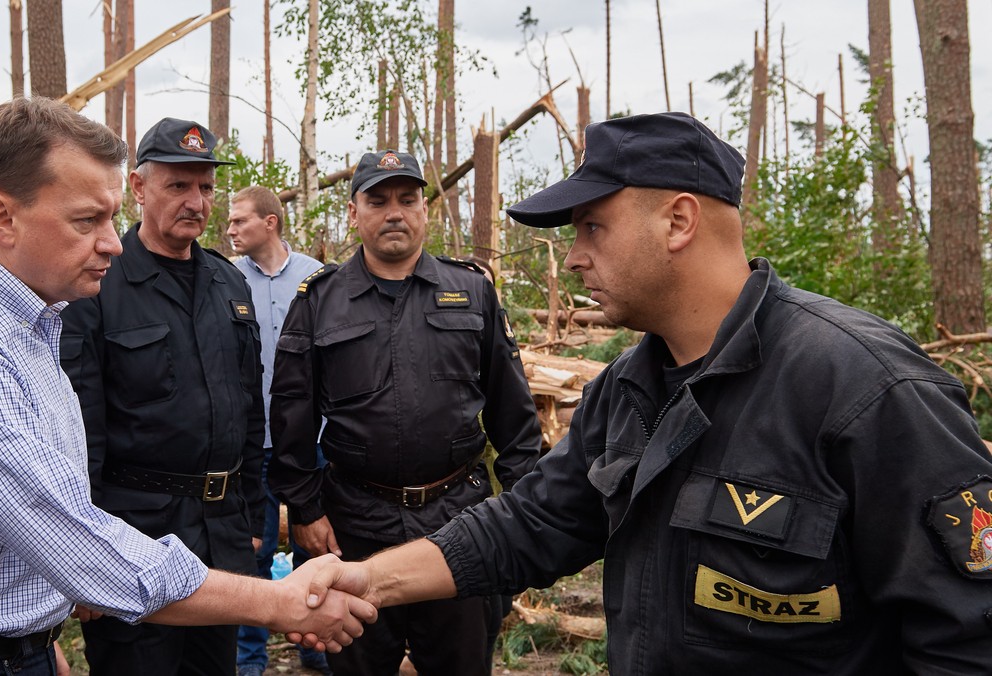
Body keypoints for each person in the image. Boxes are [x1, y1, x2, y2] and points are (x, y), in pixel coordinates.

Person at [296, 112, 992, 674]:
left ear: (679, 221)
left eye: (592, 226)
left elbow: (964, 638)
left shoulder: (868, 391)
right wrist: (369, 581)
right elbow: (530, 525)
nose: (573, 256)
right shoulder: (631, 389)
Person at [0, 97, 375, 676]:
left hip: (9, 647)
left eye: (109, 220)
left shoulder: (32, 321)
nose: (112, 243)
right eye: (86, 221)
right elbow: (63, 530)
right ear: (1, 218)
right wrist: (277, 601)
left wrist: (37, 643)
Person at [269, 149, 542, 675]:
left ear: (424, 211)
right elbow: (290, 415)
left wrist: (523, 515)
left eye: (407, 199)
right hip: (354, 527)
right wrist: (304, 508)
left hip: (459, 521)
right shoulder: (320, 300)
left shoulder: (472, 291)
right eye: (378, 200)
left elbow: (514, 413)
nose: (394, 211)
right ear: (354, 213)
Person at [59, 117, 267, 676]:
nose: (196, 202)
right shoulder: (100, 282)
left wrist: (249, 514)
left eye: (205, 188)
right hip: (136, 535)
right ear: (139, 188)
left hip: (220, 534)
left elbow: (249, 409)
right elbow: (78, 434)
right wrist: (84, 556)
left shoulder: (230, 283)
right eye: (178, 186)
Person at [226, 186, 331, 676]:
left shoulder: (317, 278)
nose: (229, 230)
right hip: (253, 445)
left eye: (239, 221)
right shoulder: (225, 280)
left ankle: (316, 646)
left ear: (270, 223)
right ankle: (249, 661)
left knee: (315, 549)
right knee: (255, 554)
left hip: (312, 443)